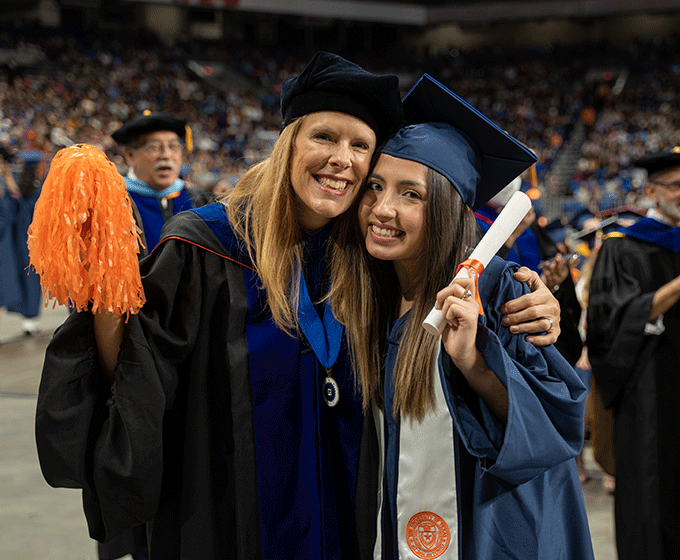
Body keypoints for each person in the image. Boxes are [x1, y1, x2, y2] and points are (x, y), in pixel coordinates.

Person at [35, 53, 560, 560]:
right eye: (325, 136)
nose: (342, 158)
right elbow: (135, 380)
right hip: (233, 525)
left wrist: (527, 295)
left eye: (361, 145)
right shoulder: (204, 248)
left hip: (350, 520)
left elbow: (447, 270)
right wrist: (104, 290)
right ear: (288, 144)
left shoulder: (360, 258)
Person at [331, 75, 594, 559]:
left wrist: (474, 362)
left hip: (493, 527)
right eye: (375, 187)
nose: (382, 209)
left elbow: (549, 434)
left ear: (449, 211)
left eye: (412, 194)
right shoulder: (365, 293)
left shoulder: (498, 291)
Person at [587, 147, 680, 560]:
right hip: (650, 393)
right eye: (677, 186)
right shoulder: (621, 247)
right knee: (651, 497)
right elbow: (610, 324)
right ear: (651, 190)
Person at [111, 112, 194, 252]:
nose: (166, 155)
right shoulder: (114, 201)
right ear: (130, 155)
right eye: (154, 147)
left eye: (173, 147)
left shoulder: (194, 197)